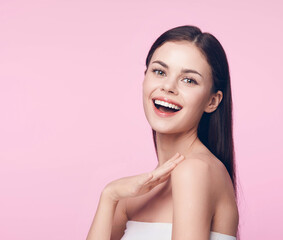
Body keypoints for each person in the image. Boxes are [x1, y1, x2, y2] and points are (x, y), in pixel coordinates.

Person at [86, 25, 239, 240]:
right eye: (159, 72)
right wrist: (109, 195)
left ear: (212, 101)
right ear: (145, 79)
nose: (168, 86)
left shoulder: (195, 170)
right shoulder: (131, 195)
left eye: (189, 80)